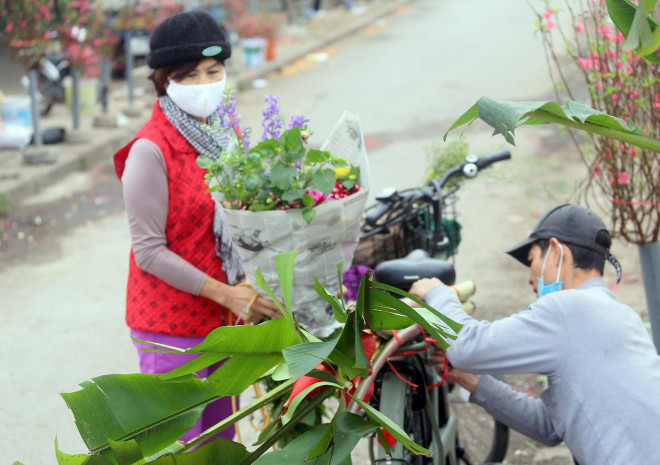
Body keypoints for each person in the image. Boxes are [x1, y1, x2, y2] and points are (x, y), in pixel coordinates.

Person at [112, 10, 281, 442]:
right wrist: (229, 294)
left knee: (220, 445)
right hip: (170, 330)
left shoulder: (224, 139)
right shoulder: (149, 151)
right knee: (180, 449)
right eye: (190, 76)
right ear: (164, 80)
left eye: (214, 71)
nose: (206, 85)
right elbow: (149, 252)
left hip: (224, 323)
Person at [409, 204, 660, 465]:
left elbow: (467, 347)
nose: (530, 278)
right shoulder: (623, 316)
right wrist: (469, 380)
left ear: (555, 252)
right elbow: (552, 428)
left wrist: (437, 294)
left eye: (531, 261)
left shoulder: (568, 309)